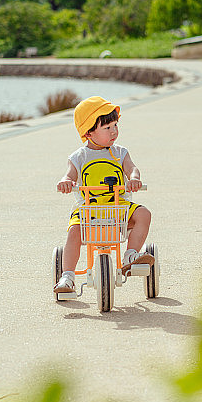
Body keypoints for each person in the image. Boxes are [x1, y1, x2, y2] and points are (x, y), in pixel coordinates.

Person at [54, 96, 153, 293]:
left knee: (144, 214)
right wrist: (66, 182)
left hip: (118, 207)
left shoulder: (120, 153)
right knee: (74, 232)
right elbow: (69, 175)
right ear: (88, 132)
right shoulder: (79, 157)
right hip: (89, 209)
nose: (114, 131)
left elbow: (132, 169)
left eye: (115, 125)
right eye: (107, 127)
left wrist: (134, 179)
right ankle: (68, 277)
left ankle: (130, 255)